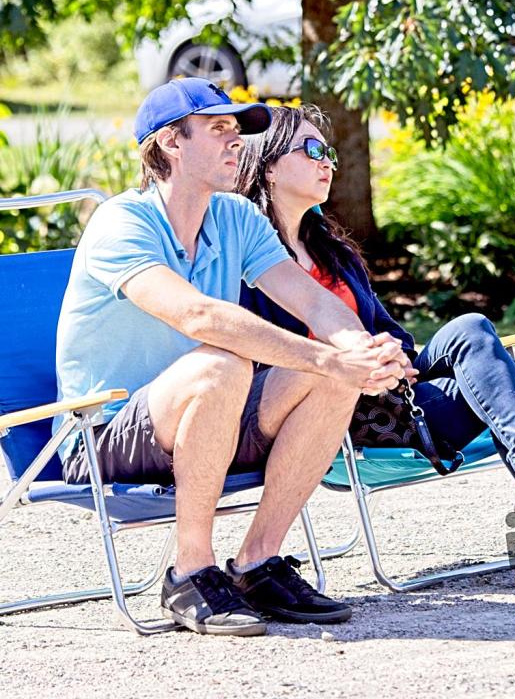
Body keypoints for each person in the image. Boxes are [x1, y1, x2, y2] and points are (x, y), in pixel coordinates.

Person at [55, 78, 410, 636]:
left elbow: (314, 301)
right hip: (101, 434)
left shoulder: (235, 218)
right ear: (171, 142)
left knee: (330, 375)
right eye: (219, 128)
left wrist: (361, 352)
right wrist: (327, 358)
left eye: (238, 130)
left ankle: (256, 565)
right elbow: (198, 317)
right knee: (224, 363)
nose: (237, 141)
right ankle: (190, 573)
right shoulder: (121, 223)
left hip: (210, 414)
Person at [235, 103, 515, 579]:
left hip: (399, 396)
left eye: (329, 152)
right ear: (268, 166)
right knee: (508, 376)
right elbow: (261, 352)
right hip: (339, 408)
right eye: (311, 150)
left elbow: (390, 331)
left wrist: (394, 354)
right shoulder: (249, 259)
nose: (326, 161)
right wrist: (352, 361)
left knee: (472, 329)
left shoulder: (334, 252)